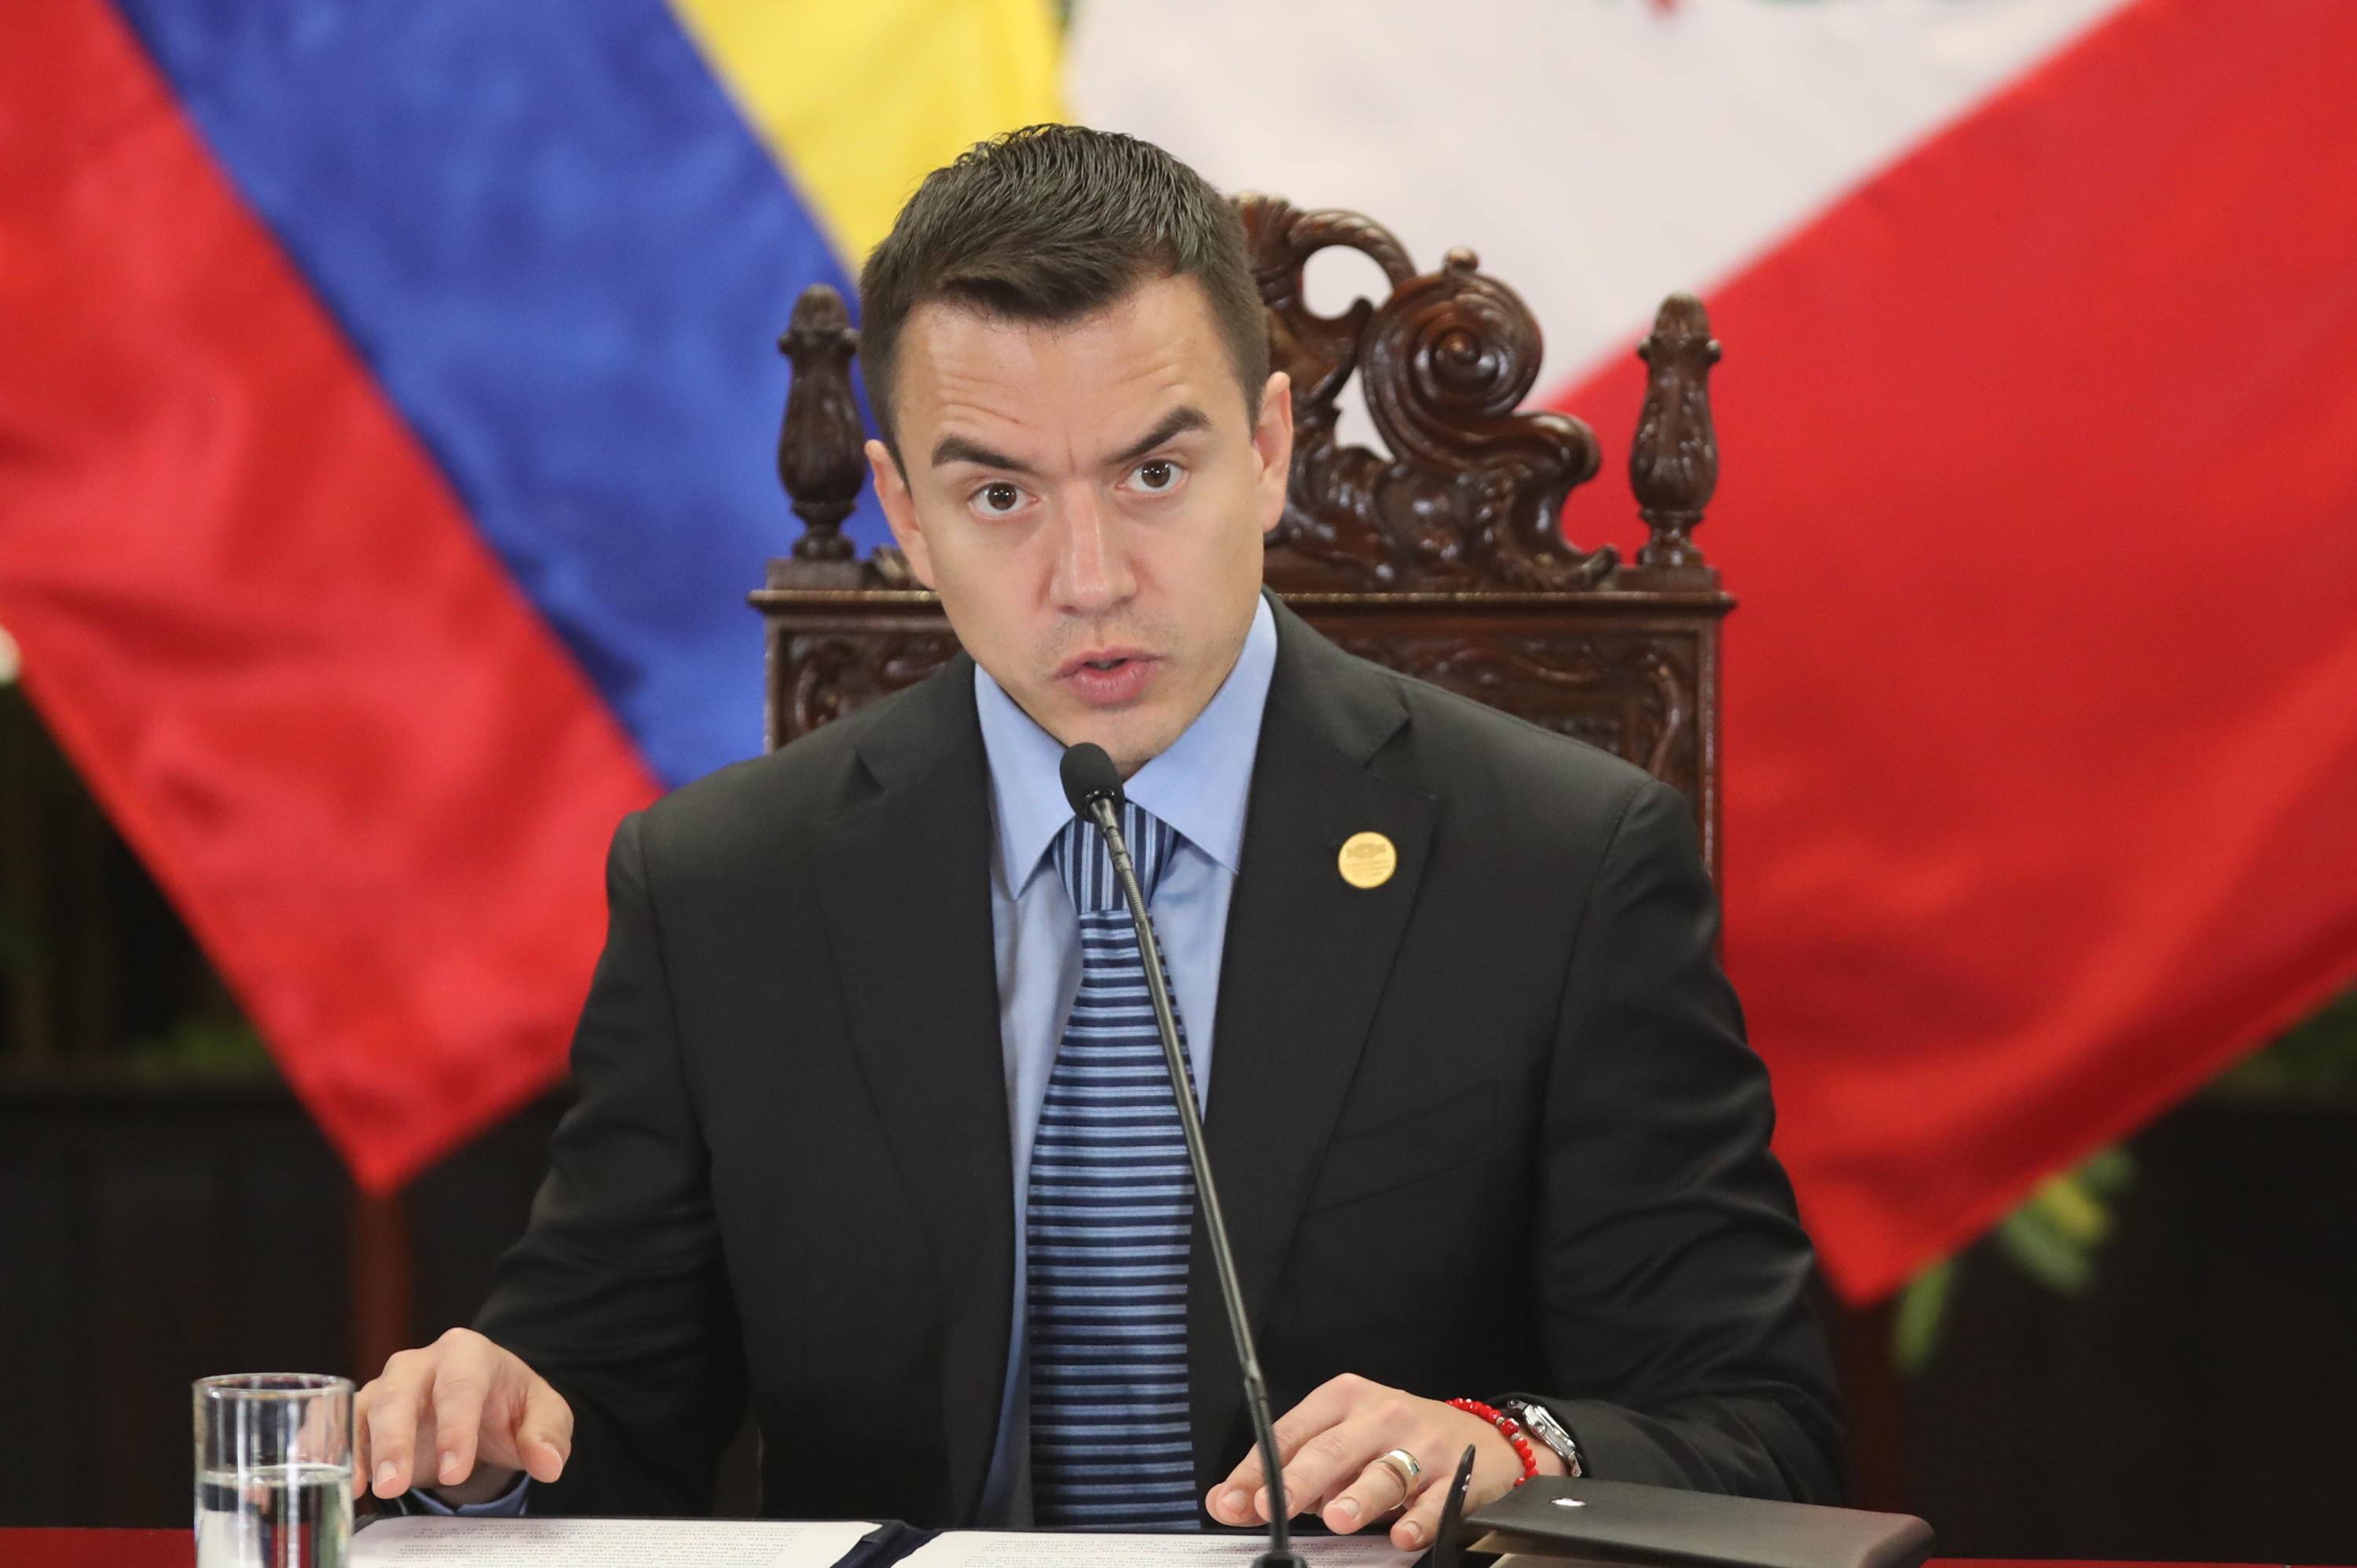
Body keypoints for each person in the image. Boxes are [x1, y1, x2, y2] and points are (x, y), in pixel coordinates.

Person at [354, 126, 1842, 1544]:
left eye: (1153, 473)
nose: (1088, 578)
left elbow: (1754, 1433)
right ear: (907, 517)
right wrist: (491, 1435)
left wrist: (1517, 1448)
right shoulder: (723, 890)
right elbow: (601, 1412)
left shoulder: (1561, 867)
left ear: (1265, 449)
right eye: (998, 493)